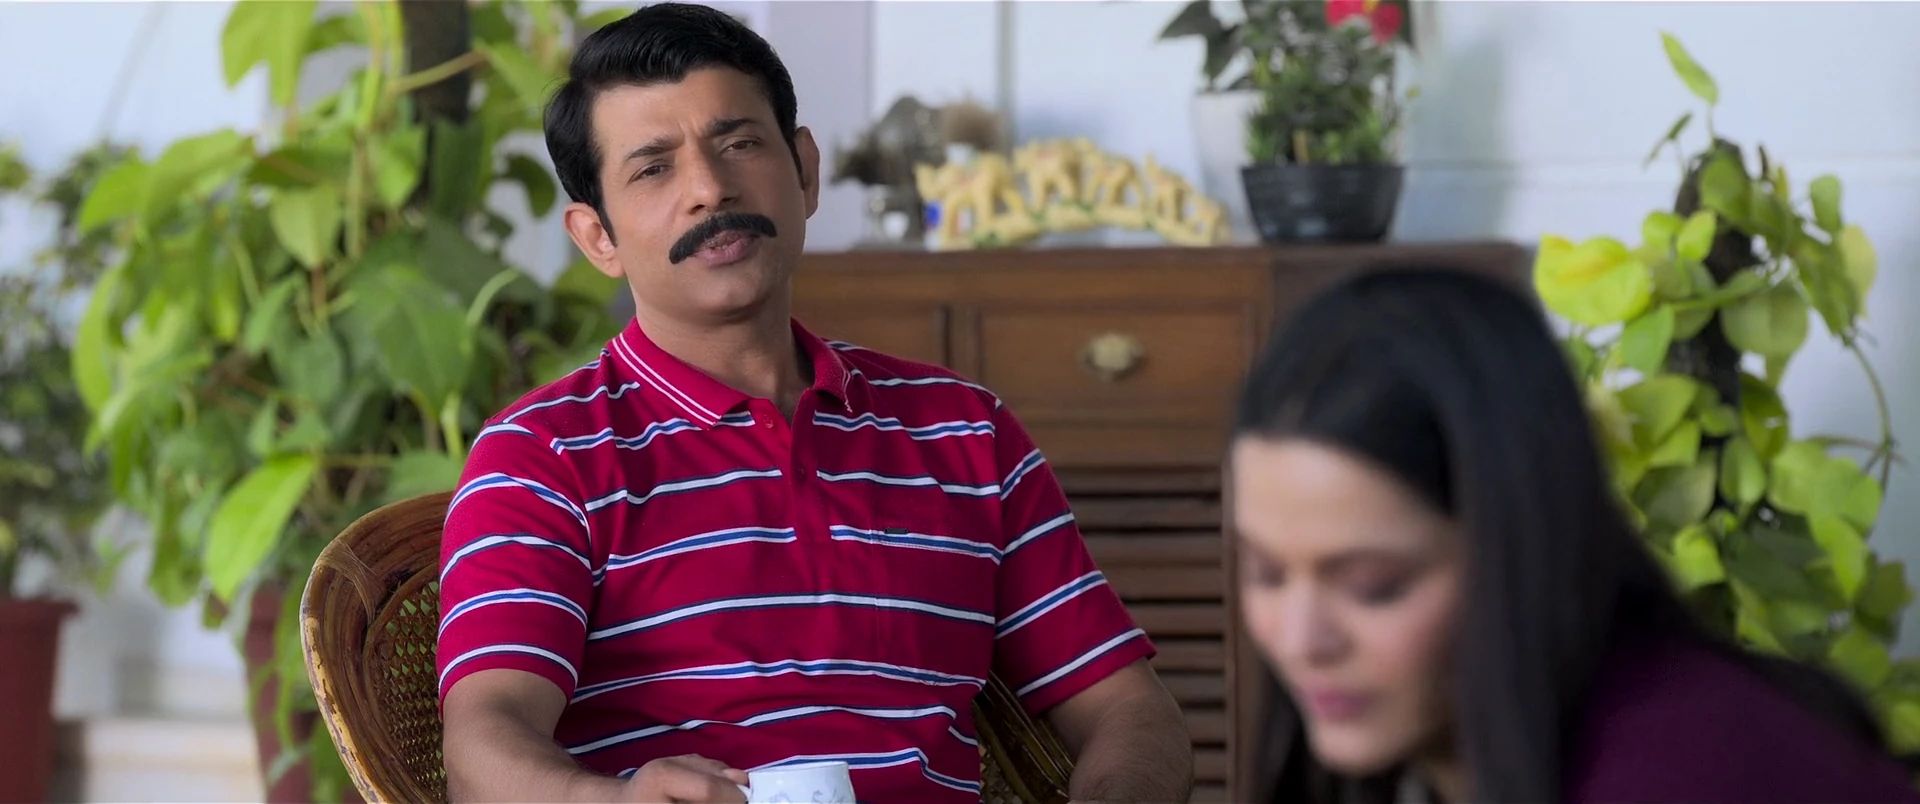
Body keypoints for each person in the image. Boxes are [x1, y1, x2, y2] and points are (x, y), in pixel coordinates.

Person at [433, 5, 1193, 803]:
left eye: (738, 144)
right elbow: (484, 742)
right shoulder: (542, 456)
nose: (709, 189)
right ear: (598, 238)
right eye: (653, 169)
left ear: (804, 170)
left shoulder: (964, 430)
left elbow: (1129, 709)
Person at [1227, 267, 1920, 803]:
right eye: (1266, 573)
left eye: (1373, 587)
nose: (1300, 638)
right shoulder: (1442, 751)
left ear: (1521, 548)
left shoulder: (1677, 770)